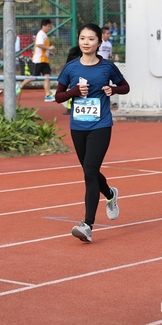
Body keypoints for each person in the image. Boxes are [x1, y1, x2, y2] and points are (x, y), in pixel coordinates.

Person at [54, 22, 130, 242]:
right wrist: (74, 92)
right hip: (78, 126)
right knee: (91, 171)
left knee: (89, 171)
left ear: (99, 42)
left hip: (101, 125)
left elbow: (125, 87)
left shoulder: (107, 67)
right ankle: (110, 193)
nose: (86, 42)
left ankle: (87, 225)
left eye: (91, 39)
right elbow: (58, 97)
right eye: (82, 38)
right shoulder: (71, 68)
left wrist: (112, 89)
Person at [15, 19, 55, 102]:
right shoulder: (41, 34)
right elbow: (38, 45)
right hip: (38, 60)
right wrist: (49, 48)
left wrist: (48, 52)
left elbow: (42, 47)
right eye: (48, 26)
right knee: (33, 77)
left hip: (45, 60)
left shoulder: (44, 35)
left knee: (47, 77)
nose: (49, 28)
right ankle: (20, 86)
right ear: (43, 26)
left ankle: (47, 95)